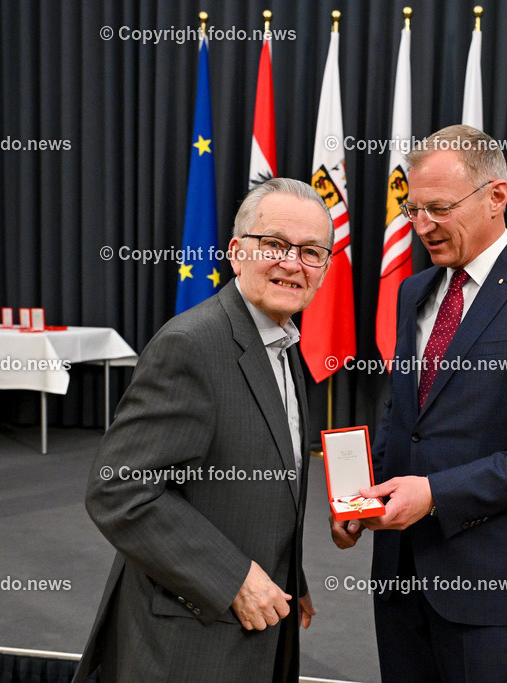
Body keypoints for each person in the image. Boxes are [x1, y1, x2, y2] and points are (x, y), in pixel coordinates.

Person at [332, 125, 507, 682]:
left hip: (492, 585)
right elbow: (404, 417)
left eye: (439, 208)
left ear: (496, 196)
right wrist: (359, 501)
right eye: (413, 209)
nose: (422, 225)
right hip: (400, 575)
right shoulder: (414, 291)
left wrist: (435, 494)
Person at [74, 178, 333, 682]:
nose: (292, 263)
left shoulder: (281, 341)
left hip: (258, 619)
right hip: (188, 639)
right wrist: (233, 579)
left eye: (310, 251)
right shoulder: (192, 345)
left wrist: (289, 572)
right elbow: (119, 489)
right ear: (236, 253)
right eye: (274, 244)